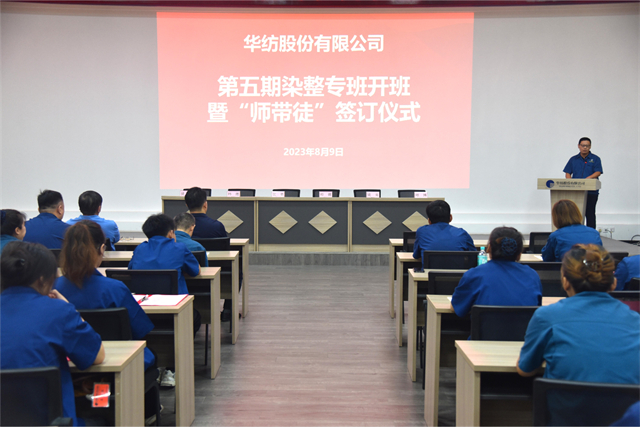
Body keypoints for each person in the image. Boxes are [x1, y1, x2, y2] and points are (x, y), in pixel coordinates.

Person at [0, 241, 105, 426]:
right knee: (102, 413)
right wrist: (68, 306)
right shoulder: (58, 311)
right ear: (42, 279)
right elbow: (97, 356)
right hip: (51, 422)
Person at [517, 244, 640, 384]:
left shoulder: (547, 316)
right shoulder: (635, 321)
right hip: (623, 399)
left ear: (565, 282)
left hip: (563, 398)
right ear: (614, 283)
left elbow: (525, 370)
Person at [54, 220, 156, 371]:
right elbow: (140, 329)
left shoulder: (52, 289)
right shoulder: (115, 288)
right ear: (102, 249)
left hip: (66, 363)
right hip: (120, 361)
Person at [450, 227, 542, 317]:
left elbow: (456, 308)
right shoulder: (532, 276)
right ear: (519, 254)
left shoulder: (474, 275)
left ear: (489, 248)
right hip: (525, 328)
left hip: (486, 328)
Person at [413, 200, 475, 268]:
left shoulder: (422, 232)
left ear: (429, 221)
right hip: (458, 274)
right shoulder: (462, 234)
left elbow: (416, 256)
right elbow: (474, 257)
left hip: (429, 274)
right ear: (450, 218)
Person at [563, 137, 602, 229]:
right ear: (578, 146)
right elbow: (568, 172)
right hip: (576, 192)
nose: (585, 147)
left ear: (590, 147)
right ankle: (576, 232)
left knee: (590, 213)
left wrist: (589, 178)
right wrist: (570, 182)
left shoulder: (595, 159)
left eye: (587, 146)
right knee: (575, 213)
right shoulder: (573, 159)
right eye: (583, 145)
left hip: (591, 192)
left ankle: (590, 233)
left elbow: (598, 172)